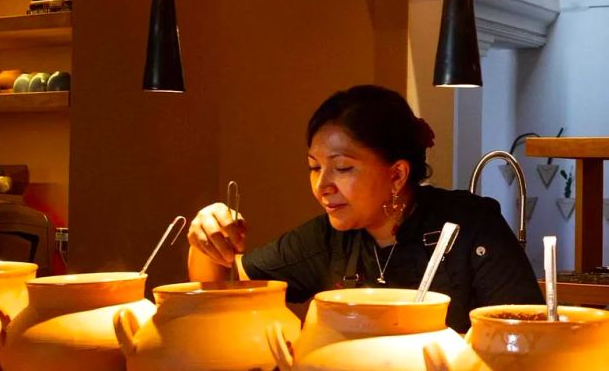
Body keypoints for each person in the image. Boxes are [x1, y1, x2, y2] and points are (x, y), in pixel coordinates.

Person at [187, 85, 543, 332]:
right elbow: (220, 290)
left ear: (398, 174)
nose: (322, 185)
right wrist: (207, 238)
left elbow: (527, 338)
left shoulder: (471, 225)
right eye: (314, 167)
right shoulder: (326, 239)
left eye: (342, 168)